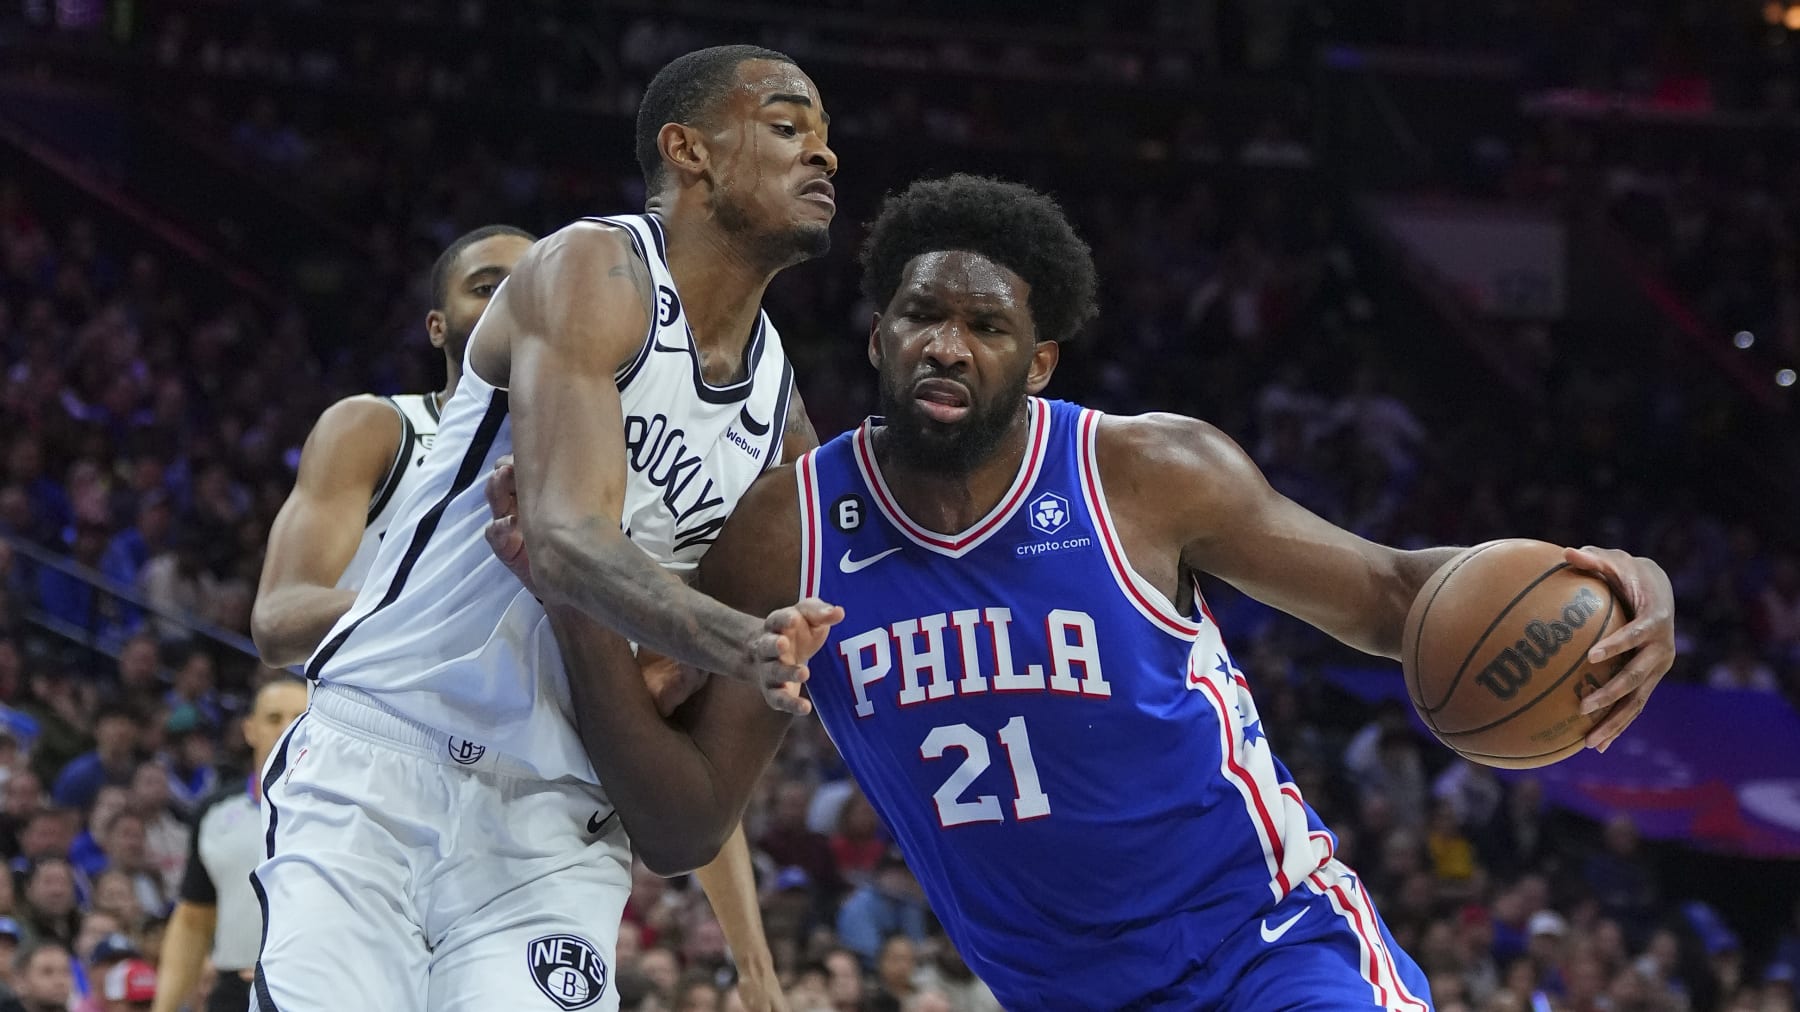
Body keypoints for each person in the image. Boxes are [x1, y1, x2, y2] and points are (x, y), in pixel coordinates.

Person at [486, 174, 1680, 1010]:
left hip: (1272, 952)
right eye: (921, 315)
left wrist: (1626, 584)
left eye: (985, 324)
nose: (948, 344)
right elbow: (683, 819)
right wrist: (574, 606)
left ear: (1040, 358)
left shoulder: (1148, 474)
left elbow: (1389, 592)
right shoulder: (794, 530)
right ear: (881, 334)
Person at [254, 45, 843, 1012]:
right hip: (390, 754)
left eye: (826, 141)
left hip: (559, 823)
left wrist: (695, 656)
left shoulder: (781, 420)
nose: (823, 157)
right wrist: (734, 641)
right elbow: (566, 541)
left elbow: (691, 740)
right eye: (788, 129)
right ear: (687, 149)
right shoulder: (592, 264)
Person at [251, 224, 536, 668]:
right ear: (436, 327)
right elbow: (278, 622)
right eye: (485, 288)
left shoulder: (589, 456)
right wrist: (452, 603)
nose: (509, 302)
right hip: (372, 724)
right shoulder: (374, 427)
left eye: (529, 288)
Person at [150, 678, 307, 1012]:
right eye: (274, 718)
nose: (286, 729)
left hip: (315, 987)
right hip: (233, 989)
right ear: (249, 730)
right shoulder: (214, 812)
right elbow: (193, 918)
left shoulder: (346, 810)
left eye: (299, 717)